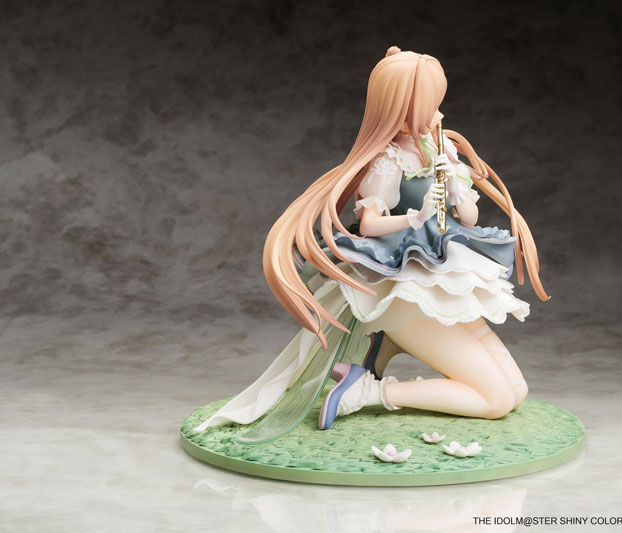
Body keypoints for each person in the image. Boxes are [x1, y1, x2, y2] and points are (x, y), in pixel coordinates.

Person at [192, 46, 549, 434]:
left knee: (516, 392)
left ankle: (388, 347)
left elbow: (469, 218)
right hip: (407, 288)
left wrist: (455, 183)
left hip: (445, 277)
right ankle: (364, 390)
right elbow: (370, 225)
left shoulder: (442, 147)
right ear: (402, 109)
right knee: (497, 401)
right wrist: (416, 217)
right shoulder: (388, 160)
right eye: (428, 105)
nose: (437, 113)